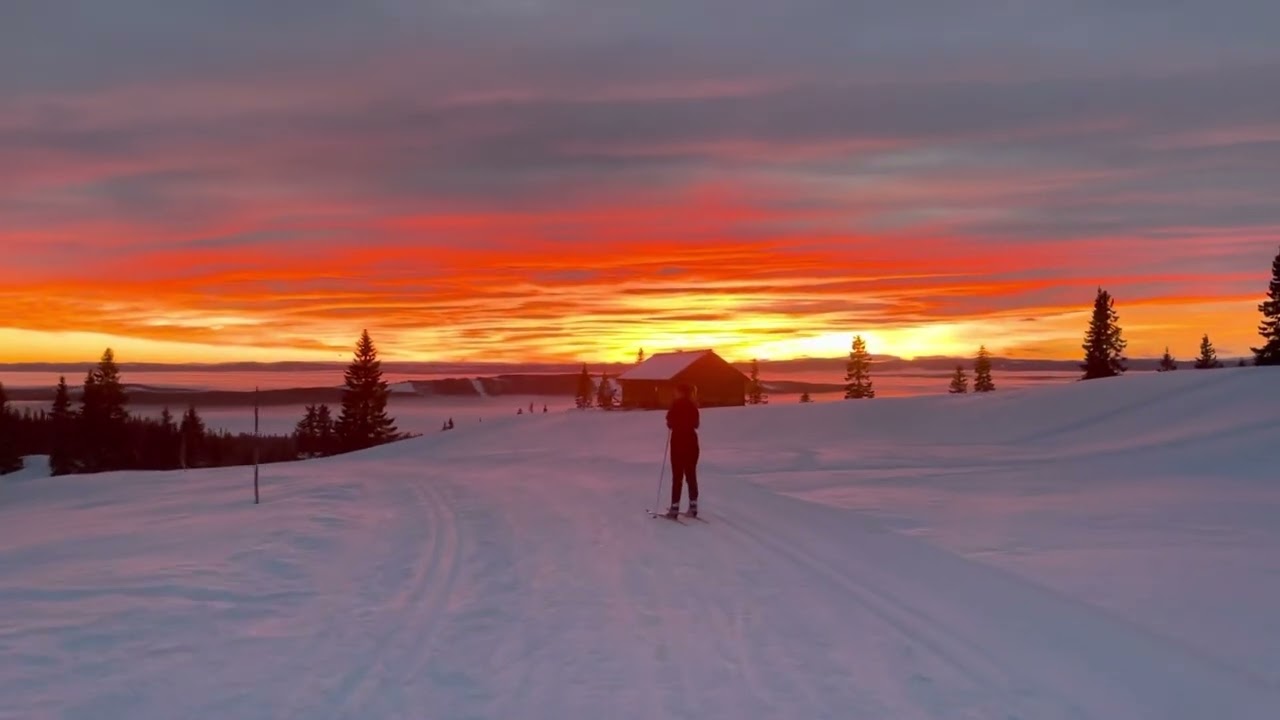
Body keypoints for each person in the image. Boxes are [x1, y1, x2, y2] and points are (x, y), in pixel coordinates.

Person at [665, 383, 700, 518]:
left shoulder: (675, 406)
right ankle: (693, 506)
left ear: (680, 392)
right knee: (691, 475)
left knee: (677, 476)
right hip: (691, 442)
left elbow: (670, 423)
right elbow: (696, 424)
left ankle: (674, 508)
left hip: (678, 443)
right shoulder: (693, 406)